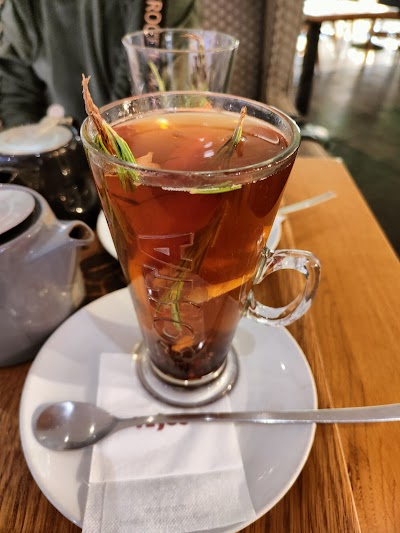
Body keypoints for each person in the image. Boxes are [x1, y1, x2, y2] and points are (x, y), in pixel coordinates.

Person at [0, 0, 200, 128]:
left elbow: (143, 92)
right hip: (62, 159)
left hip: (144, 152)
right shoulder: (23, 7)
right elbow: (15, 91)